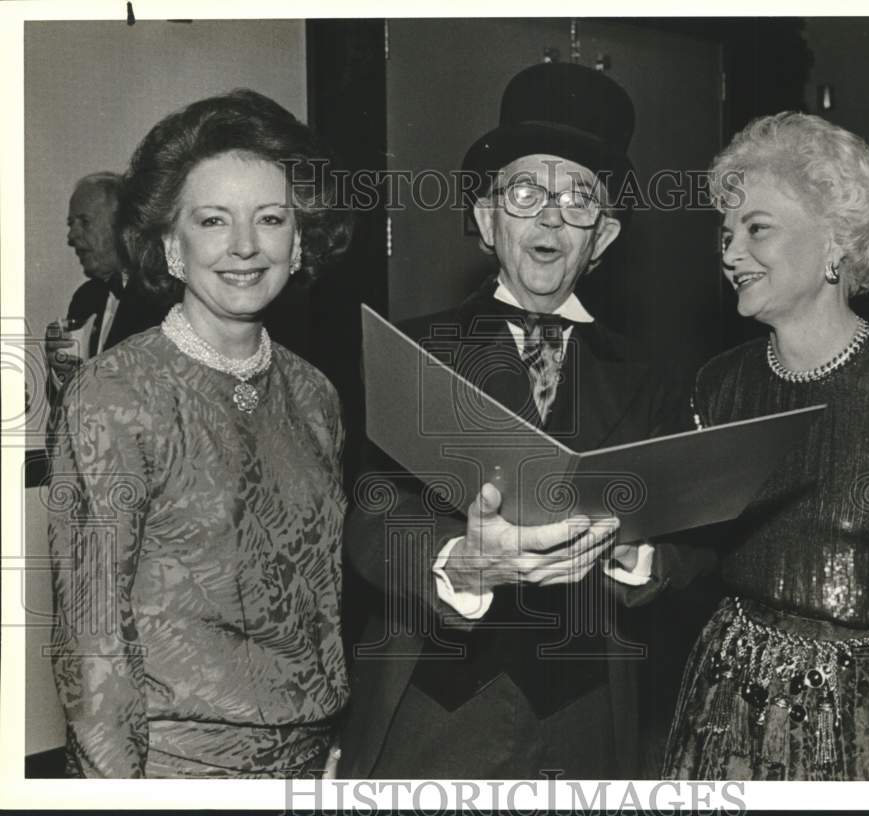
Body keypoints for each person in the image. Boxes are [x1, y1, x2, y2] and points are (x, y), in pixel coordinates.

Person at [339, 62, 698, 779]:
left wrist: (639, 556)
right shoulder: (408, 351)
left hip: (590, 716)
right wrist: (460, 561)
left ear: (601, 239)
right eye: (527, 191)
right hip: (436, 709)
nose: (551, 218)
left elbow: (696, 536)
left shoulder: (653, 378)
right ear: (485, 218)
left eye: (579, 199)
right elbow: (370, 519)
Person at [660, 112, 869, 781]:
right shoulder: (719, 385)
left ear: (835, 242)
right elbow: (694, 550)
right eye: (726, 231)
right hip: (729, 704)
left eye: (757, 228)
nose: (730, 251)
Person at [47, 89, 352, 778]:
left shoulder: (315, 395)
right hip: (172, 767)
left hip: (312, 763)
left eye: (271, 219)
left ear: (299, 239)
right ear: (169, 244)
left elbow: (321, 601)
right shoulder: (115, 395)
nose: (245, 247)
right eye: (213, 221)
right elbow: (91, 642)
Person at [45, 173, 165, 396]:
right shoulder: (85, 298)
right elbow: (61, 406)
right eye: (71, 224)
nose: (72, 235)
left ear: (122, 227)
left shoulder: (161, 297)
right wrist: (58, 372)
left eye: (85, 222)